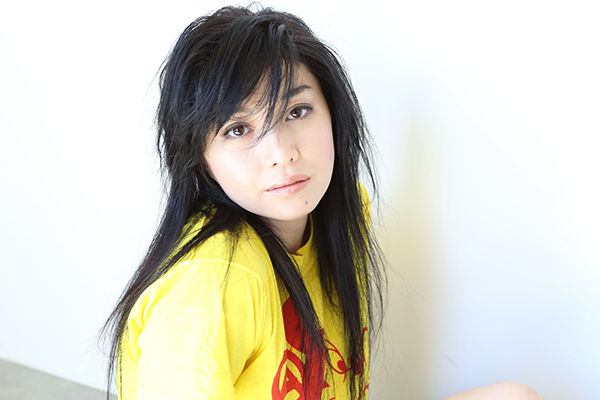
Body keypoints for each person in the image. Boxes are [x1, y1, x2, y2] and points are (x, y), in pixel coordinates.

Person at [100, 5, 542, 400]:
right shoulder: (212, 283)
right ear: (201, 157)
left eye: (296, 111)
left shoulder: (343, 212)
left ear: (333, 112)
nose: (281, 153)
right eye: (238, 129)